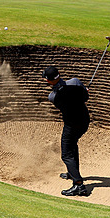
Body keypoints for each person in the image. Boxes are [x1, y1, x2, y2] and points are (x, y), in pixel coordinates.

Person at [42, 66, 91, 197]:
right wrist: (84, 90)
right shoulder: (75, 82)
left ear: (48, 81)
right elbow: (85, 97)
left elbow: (66, 100)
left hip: (71, 125)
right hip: (84, 122)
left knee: (66, 154)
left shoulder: (53, 97)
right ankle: (72, 172)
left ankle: (79, 185)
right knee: (72, 145)